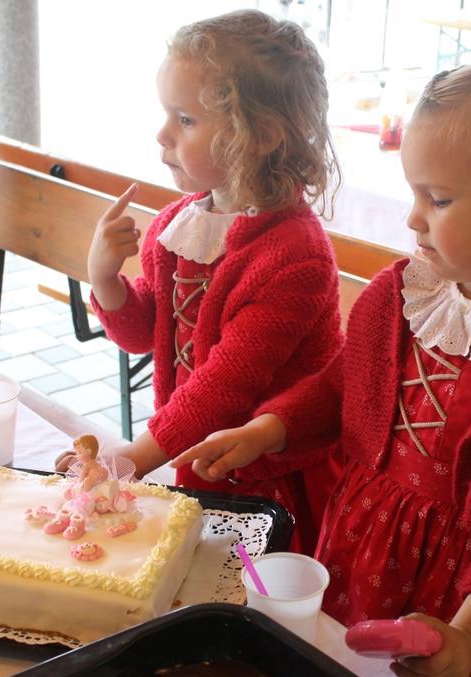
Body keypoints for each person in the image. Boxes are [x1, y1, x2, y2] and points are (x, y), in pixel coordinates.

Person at [173, 60, 471, 677]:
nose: (414, 218)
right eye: (414, 193)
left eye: (439, 198)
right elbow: (341, 385)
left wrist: (468, 636)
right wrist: (269, 429)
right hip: (362, 549)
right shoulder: (401, 297)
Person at [57, 9, 343, 553]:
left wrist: (130, 461)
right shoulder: (180, 223)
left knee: (258, 595)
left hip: (270, 475)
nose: (162, 134)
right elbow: (146, 332)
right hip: (196, 453)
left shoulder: (294, 257)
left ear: (259, 135)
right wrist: (104, 277)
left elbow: (223, 388)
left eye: (185, 119)